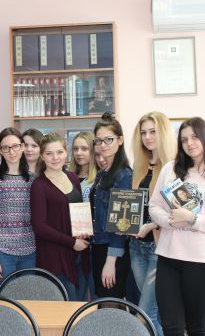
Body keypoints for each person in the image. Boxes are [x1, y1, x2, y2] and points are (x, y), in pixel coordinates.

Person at [149, 117, 205, 336]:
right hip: (168, 257)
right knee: (171, 326)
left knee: (195, 326)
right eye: (184, 139)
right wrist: (169, 221)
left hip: (202, 262)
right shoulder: (170, 169)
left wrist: (192, 219)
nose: (189, 143)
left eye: (195, 137)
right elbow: (154, 206)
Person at [130, 112, 176, 336]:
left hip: (160, 249)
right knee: (152, 314)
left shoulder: (175, 168)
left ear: (164, 133)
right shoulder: (140, 167)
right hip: (136, 247)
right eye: (143, 133)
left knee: (144, 314)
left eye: (152, 132)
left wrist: (152, 225)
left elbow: (178, 213)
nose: (147, 137)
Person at [31, 132, 88, 301]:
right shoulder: (39, 185)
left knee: (80, 304)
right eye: (49, 153)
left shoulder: (72, 177)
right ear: (42, 156)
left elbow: (79, 210)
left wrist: (83, 232)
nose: (55, 158)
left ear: (66, 153)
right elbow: (39, 226)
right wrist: (72, 243)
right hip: (54, 258)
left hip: (79, 253)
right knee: (65, 306)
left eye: (59, 152)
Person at [0, 127, 35, 290]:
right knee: (5, 299)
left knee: (29, 298)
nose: (11, 152)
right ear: (0, 150)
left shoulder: (33, 179)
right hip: (2, 252)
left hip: (30, 251)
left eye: (15, 146)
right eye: (6, 148)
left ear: (22, 147)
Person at [89, 113, 132, 298]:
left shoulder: (124, 176)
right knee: (103, 301)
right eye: (99, 141)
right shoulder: (102, 173)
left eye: (109, 139)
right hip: (98, 245)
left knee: (112, 303)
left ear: (120, 140)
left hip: (113, 251)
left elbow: (122, 224)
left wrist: (110, 261)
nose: (103, 145)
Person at [69, 131, 97, 301]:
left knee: (96, 293)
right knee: (76, 295)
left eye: (84, 149)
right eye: (75, 149)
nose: (79, 153)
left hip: (94, 243)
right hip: (73, 243)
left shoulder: (99, 178)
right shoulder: (67, 177)